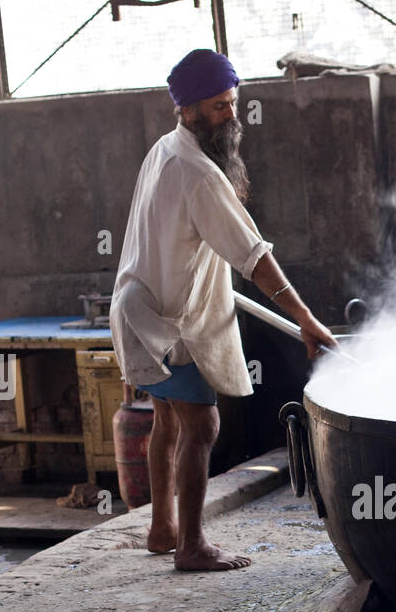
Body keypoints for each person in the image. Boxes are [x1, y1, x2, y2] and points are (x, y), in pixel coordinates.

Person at [109, 47, 334, 571]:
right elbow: (255, 258)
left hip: (140, 308)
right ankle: (192, 546)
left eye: (232, 103)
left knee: (167, 421)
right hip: (170, 323)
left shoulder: (165, 149)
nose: (231, 115)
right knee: (202, 427)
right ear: (187, 111)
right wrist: (306, 319)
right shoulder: (200, 174)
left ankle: (162, 527)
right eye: (217, 107)